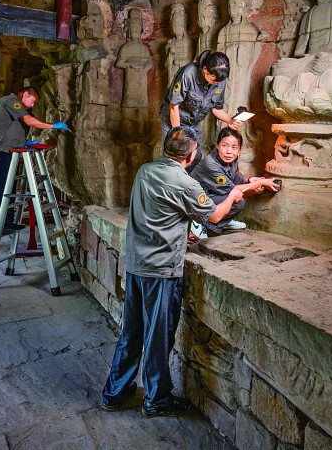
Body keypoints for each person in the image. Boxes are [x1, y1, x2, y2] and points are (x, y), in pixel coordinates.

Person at [102, 126, 243, 418]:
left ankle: (115, 393)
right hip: (161, 270)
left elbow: (158, 211)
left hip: (137, 264)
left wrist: (180, 231)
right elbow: (215, 215)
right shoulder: (185, 183)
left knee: (131, 331)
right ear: (191, 156)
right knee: (158, 336)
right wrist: (234, 193)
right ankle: (156, 399)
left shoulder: (145, 171)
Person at [0, 86, 69, 236]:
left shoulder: (13, 109)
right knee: (2, 189)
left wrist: (25, 142)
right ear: (25, 94)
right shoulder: (11, 101)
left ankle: (8, 222)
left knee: (10, 189)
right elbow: (29, 121)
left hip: (9, 152)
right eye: (33, 101)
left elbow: (9, 130)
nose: (32, 105)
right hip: (0, 152)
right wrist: (53, 126)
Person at [191, 127, 280, 236]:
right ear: (217, 146)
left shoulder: (230, 160)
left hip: (212, 192)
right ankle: (203, 223)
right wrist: (260, 183)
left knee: (240, 179)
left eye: (234, 147)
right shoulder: (210, 163)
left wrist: (250, 180)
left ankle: (224, 219)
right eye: (225, 145)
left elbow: (235, 178)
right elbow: (234, 190)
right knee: (238, 203)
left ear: (239, 150)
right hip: (197, 199)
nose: (229, 151)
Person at [161, 50, 240, 171]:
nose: (217, 82)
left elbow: (216, 108)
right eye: (214, 79)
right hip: (174, 118)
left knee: (195, 157)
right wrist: (178, 134)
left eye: (220, 80)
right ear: (205, 69)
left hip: (193, 122)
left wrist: (230, 120)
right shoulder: (188, 74)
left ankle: (189, 182)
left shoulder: (220, 79)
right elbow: (174, 106)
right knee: (174, 155)